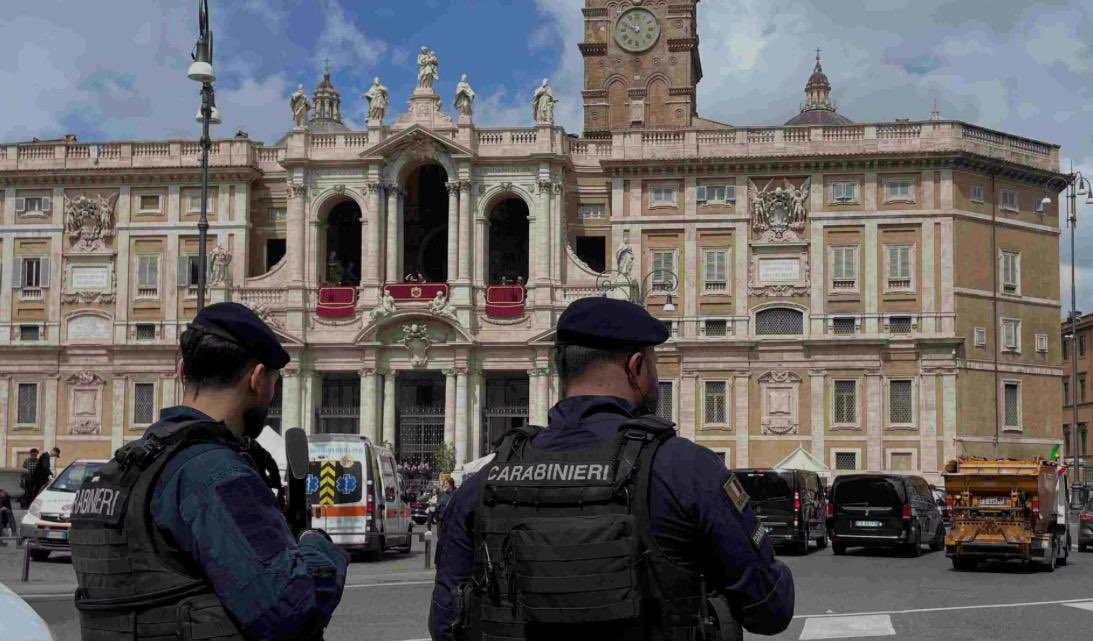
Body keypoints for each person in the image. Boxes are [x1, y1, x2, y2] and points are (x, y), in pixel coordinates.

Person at [429, 297, 794, 640]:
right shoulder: (686, 469)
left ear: (562, 371)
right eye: (653, 363)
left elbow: (446, 623)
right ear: (636, 368)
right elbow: (770, 608)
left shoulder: (484, 482)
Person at [69, 302, 349, 641]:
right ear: (257, 379)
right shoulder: (213, 471)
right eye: (274, 382)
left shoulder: (118, 470)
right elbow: (288, 607)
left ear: (181, 370)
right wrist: (316, 545)